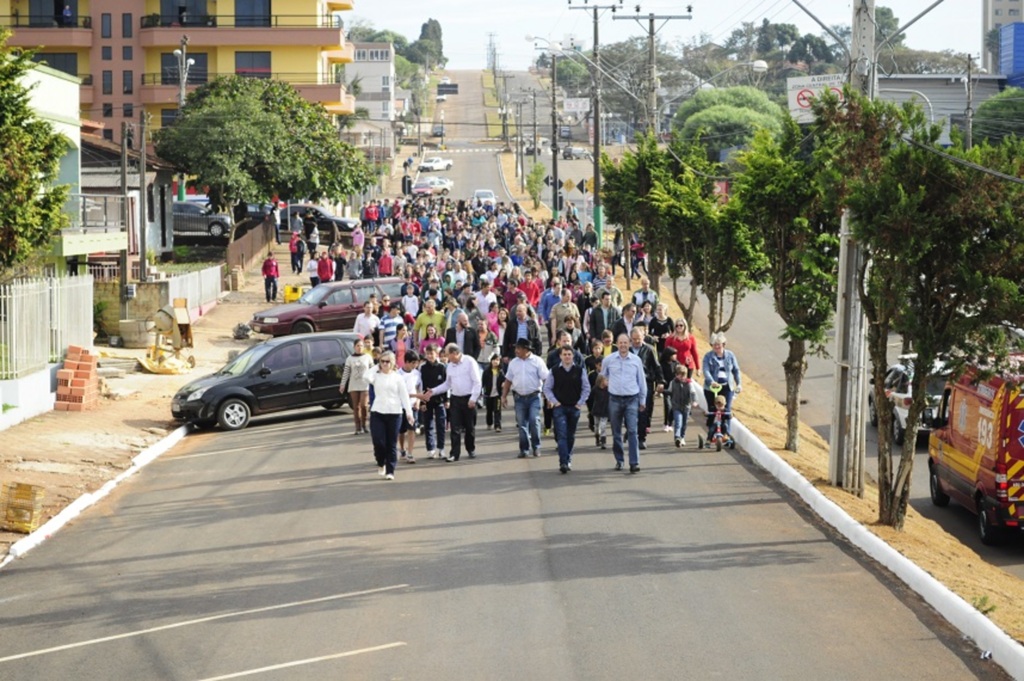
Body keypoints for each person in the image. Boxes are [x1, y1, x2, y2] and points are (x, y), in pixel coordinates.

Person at [425, 343, 481, 461]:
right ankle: (454, 454)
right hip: (456, 398)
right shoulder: (449, 366)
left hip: (469, 398)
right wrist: (433, 391)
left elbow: (477, 382)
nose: (445, 357)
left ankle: (470, 449)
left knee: (469, 427)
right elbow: (447, 384)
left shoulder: (469, 362)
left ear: (454, 353)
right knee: (454, 428)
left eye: (447, 354)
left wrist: (473, 398)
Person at [365, 351, 416, 480]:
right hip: (378, 412)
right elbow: (366, 376)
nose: (385, 364)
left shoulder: (397, 377)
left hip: (395, 413)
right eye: (382, 361)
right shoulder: (376, 376)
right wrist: (376, 366)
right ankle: (381, 462)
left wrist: (409, 414)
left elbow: (404, 396)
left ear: (393, 363)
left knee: (391, 443)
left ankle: (390, 470)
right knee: (379, 442)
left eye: (388, 361)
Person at [600, 334, 647, 473]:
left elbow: (642, 381)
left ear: (630, 343)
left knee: (632, 430)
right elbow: (603, 375)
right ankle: (619, 460)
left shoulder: (636, 360)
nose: (623, 345)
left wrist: (643, 400)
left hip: (632, 399)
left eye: (626, 343)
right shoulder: (609, 360)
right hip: (614, 399)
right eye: (620, 343)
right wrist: (607, 382)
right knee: (616, 432)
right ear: (617, 344)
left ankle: (634, 462)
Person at [543, 345, 591, 474]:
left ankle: (568, 457)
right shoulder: (554, 371)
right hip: (560, 408)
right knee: (562, 435)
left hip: (574, 408)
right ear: (560, 356)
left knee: (570, 435)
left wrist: (580, 403)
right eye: (564, 354)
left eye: (569, 354)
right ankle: (563, 462)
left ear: (573, 356)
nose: (567, 357)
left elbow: (586, 388)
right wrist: (554, 402)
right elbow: (547, 388)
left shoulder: (580, 370)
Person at [501, 337, 550, 458]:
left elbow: (546, 379)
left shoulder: (537, 361)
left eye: (518, 348)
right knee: (522, 424)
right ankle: (524, 449)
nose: (516, 350)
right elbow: (508, 380)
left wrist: (548, 396)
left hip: (534, 396)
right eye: (516, 348)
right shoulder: (513, 363)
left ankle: (536, 447)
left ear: (526, 349)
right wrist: (504, 396)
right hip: (519, 398)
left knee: (534, 420)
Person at [702, 332, 742, 438]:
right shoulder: (708, 356)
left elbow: (736, 370)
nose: (716, 347)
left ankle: (725, 433)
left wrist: (739, 384)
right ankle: (711, 432)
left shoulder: (730, 355)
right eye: (714, 344)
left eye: (718, 344)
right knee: (712, 410)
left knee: (726, 411)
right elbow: (706, 370)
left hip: (727, 387)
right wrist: (711, 381)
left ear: (723, 344)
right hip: (711, 388)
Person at [419, 343, 448, 460]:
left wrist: (447, 399)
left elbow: (447, 384)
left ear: (437, 354)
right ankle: (430, 449)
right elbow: (421, 385)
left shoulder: (442, 367)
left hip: (440, 400)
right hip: (427, 400)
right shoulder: (422, 367)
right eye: (428, 354)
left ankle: (441, 448)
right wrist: (422, 402)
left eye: (432, 353)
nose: (430, 356)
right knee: (428, 425)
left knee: (441, 425)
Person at [339, 338, 374, 435]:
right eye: (357, 346)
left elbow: (373, 370)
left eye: (361, 346)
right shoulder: (349, 359)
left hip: (365, 384)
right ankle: (358, 427)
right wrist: (343, 384)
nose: (359, 348)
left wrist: (374, 382)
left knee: (364, 405)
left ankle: (364, 425)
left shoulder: (368, 357)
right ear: (354, 347)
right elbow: (346, 372)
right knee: (356, 407)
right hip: (353, 385)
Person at [398, 350, 422, 463]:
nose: (415, 365)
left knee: (411, 429)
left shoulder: (417, 374)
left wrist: (417, 401)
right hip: (400, 406)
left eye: (416, 363)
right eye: (413, 363)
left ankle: (410, 453)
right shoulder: (398, 374)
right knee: (401, 430)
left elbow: (418, 388)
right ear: (406, 362)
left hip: (412, 406)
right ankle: (402, 449)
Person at [668, 363, 699, 448]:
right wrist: (662, 391)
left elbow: (693, 393)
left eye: (683, 375)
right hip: (676, 406)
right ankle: (677, 437)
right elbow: (669, 391)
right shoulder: (673, 383)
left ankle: (682, 437)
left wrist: (694, 401)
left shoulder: (689, 383)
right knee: (678, 422)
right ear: (676, 375)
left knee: (684, 423)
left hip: (686, 407)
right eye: (680, 375)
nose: (682, 377)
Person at [481, 352, 505, 432]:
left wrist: (503, 384)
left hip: (497, 394)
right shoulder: (486, 372)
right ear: (491, 361)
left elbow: (504, 380)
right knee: (489, 410)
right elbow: (482, 382)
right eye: (494, 360)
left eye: (497, 360)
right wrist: (480, 392)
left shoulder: (501, 372)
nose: (496, 361)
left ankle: (497, 426)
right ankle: (489, 423)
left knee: (497, 410)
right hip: (488, 394)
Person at [591, 373, 610, 449]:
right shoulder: (595, 389)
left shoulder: (608, 389)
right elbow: (590, 398)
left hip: (605, 411)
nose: (607, 382)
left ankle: (603, 441)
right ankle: (597, 437)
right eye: (606, 380)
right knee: (596, 426)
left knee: (603, 426)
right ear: (601, 381)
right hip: (596, 410)